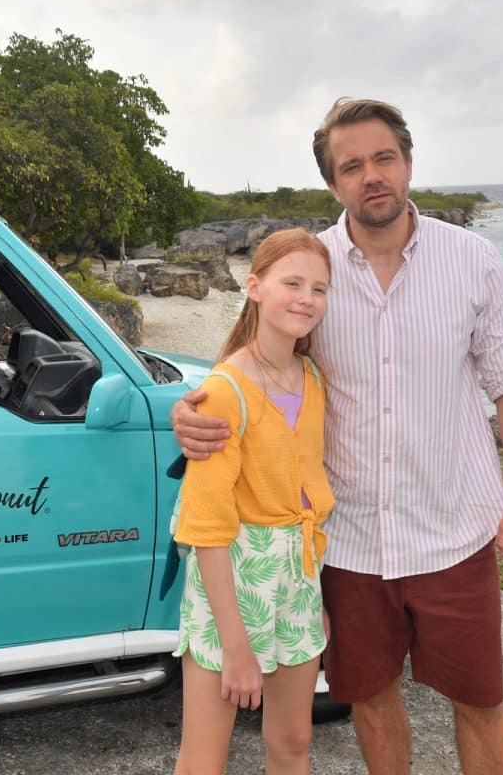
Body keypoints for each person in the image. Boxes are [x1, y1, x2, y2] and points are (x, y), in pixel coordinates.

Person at [173, 98, 503, 775]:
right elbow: (256, 360)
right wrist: (189, 410)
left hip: (455, 528)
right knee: (370, 701)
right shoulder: (312, 269)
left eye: (384, 158)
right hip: (349, 544)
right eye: (352, 166)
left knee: (481, 703)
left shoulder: (473, 259)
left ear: (408, 163)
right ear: (332, 182)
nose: (372, 175)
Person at [172, 228, 337, 775]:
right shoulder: (225, 390)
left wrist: (313, 595)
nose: (306, 299)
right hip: (233, 581)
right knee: (204, 758)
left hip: (297, 579)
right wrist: (236, 647)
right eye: (292, 283)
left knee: (293, 742)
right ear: (255, 287)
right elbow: (206, 527)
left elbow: (308, 493)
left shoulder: (312, 377)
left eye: (318, 288)